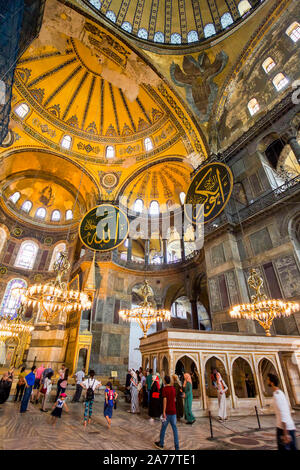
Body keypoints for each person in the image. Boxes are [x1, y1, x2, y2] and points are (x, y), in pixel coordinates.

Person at [267, 373, 297, 451]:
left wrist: (285, 433)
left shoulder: (277, 395)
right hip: (286, 427)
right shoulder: (280, 393)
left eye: (268, 380)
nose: (267, 381)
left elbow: (283, 413)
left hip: (285, 429)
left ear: (272, 382)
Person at [154, 375, 179, 450]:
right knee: (175, 430)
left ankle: (161, 443)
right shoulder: (173, 389)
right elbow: (174, 399)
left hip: (167, 412)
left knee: (163, 428)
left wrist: (164, 411)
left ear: (165, 381)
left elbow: (165, 400)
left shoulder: (165, 389)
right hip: (174, 412)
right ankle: (177, 447)